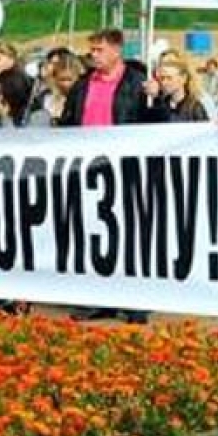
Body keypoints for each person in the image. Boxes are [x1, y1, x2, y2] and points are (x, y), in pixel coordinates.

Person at [60, 29, 150, 324]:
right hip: (87, 169)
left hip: (125, 171)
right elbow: (68, 123)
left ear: (116, 50)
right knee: (94, 234)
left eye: (99, 50)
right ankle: (99, 298)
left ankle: (135, 299)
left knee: (128, 236)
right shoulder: (83, 85)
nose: (93, 55)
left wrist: (157, 99)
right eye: (92, 50)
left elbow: (153, 123)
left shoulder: (137, 85)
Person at [141, 58, 211, 123]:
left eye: (169, 78)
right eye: (162, 78)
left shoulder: (195, 107)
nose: (164, 83)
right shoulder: (160, 103)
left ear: (183, 78)